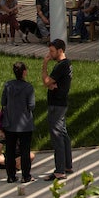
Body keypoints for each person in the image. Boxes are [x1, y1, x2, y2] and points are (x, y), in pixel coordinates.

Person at [41, 39, 73, 180]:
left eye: (52, 51)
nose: (50, 54)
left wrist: (45, 64)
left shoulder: (61, 66)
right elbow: (50, 83)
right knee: (63, 134)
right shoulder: (67, 64)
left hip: (57, 104)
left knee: (57, 136)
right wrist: (50, 84)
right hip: (62, 103)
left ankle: (59, 170)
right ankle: (67, 164)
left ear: (60, 51)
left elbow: (46, 81)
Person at [0, 61, 36, 183]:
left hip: (10, 123)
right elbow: (31, 105)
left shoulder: (8, 86)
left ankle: (11, 175)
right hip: (25, 124)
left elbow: (3, 102)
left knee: (9, 150)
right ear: (24, 72)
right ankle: (26, 175)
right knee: (25, 151)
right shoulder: (28, 88)